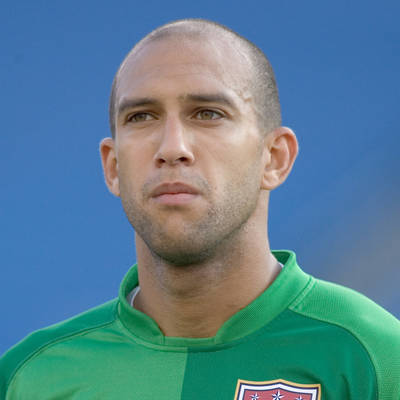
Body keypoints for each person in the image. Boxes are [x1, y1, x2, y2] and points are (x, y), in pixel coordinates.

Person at [1, 18, 399, 400]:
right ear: (113, 166)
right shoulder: (29, 379)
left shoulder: (376, 359)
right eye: (141, 116)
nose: (172, 147)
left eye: (208, 114)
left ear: (274, 158)